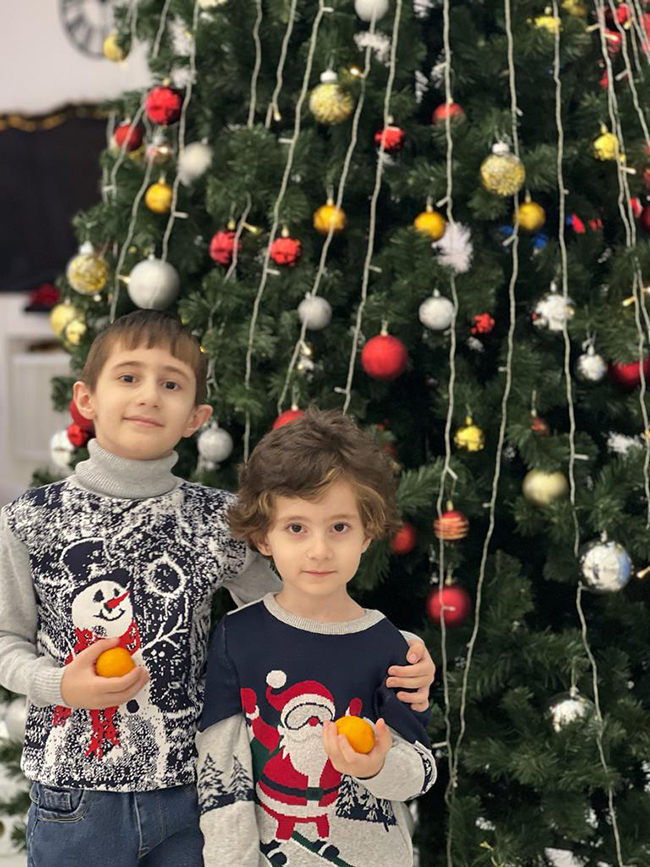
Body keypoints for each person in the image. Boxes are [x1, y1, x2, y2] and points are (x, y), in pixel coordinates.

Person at [0, 311, 435, 867]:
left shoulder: (217, 519)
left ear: (196, 417)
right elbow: (6, 641)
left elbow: (295, 618)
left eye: (171, 384)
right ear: (85, 399)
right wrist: (58, 683)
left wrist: (397, 656)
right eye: (129, 377)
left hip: (192, 795)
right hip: (76, 793)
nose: (149, 395)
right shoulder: (30, 518)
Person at [196, 408, 436, 867]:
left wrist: (377, 767)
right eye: (296, 528)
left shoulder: (390, 645)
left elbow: (420, 771)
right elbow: (220, 770)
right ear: (264, 538)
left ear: (367, 532)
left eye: (339, 527)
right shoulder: (238, 637)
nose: (320, 550)